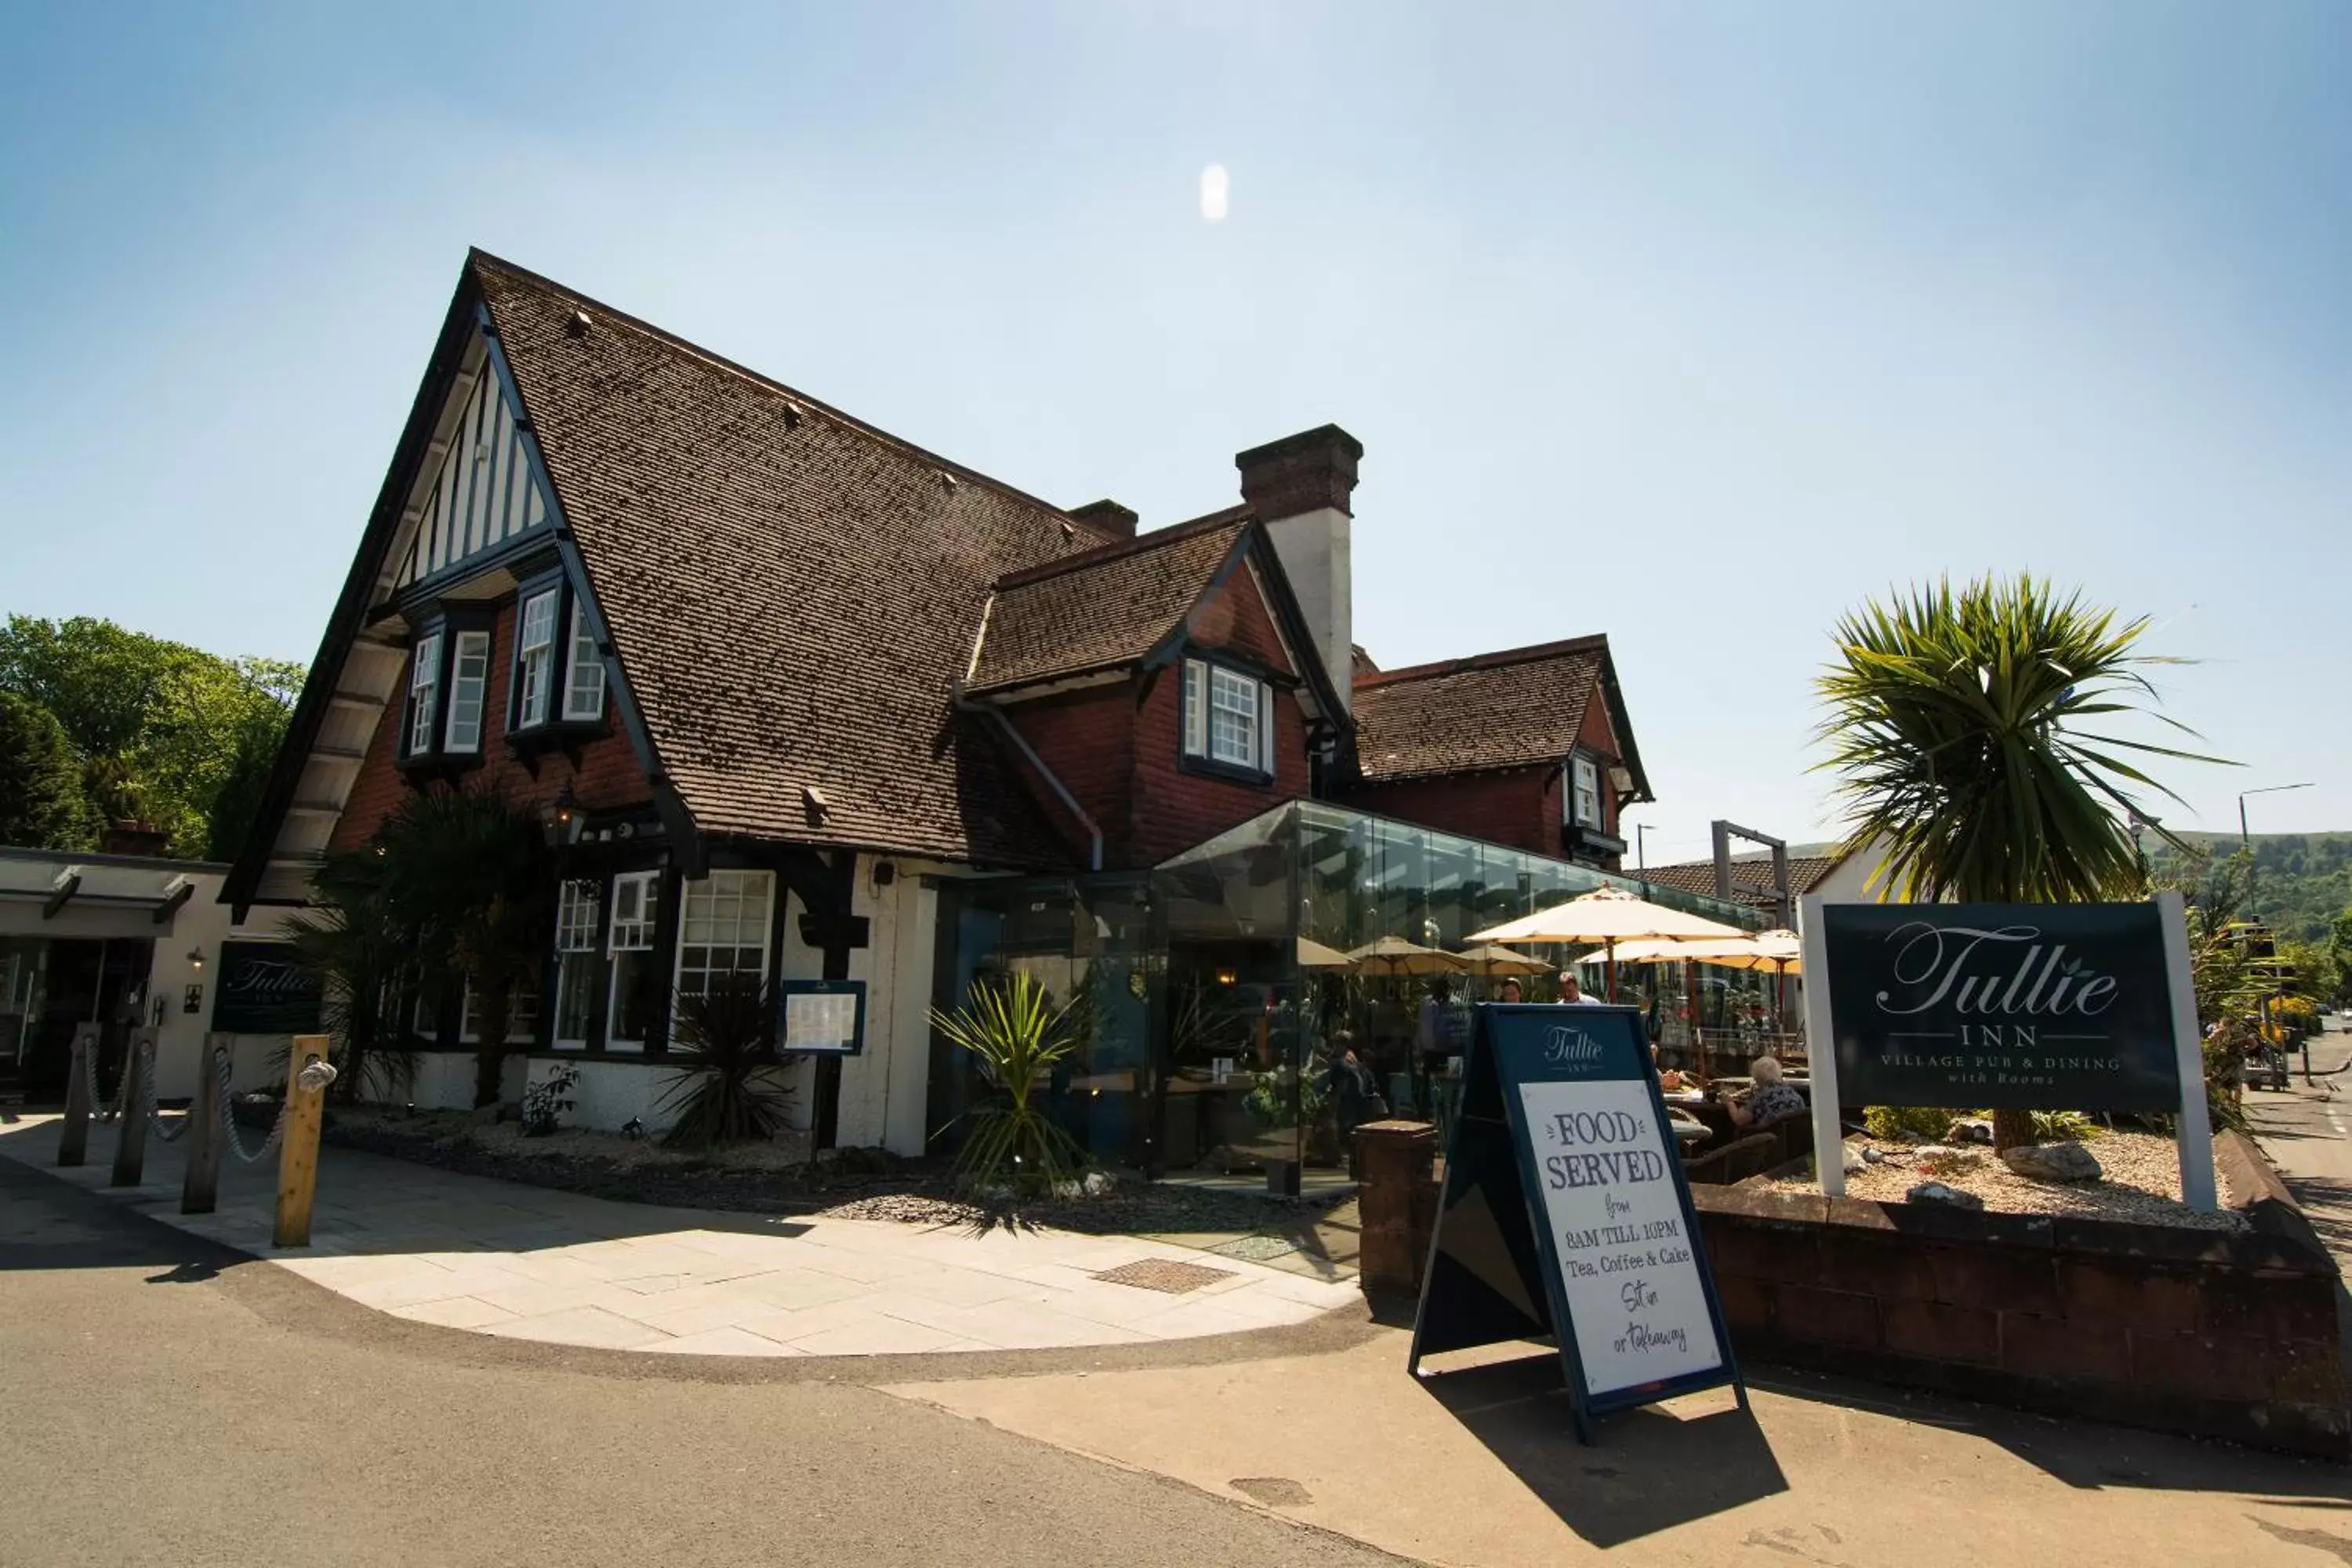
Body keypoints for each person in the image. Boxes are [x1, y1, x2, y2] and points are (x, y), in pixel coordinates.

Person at [1728, 1054, 1807, 1129]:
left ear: (1758, 1078)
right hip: (1795, 1140)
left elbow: (1739, 1120)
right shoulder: (1794, 1095)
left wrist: (1729, 1101)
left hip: (1767, 1140)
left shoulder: (1761, 1097)